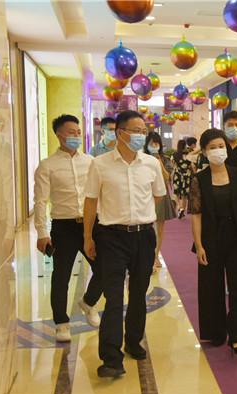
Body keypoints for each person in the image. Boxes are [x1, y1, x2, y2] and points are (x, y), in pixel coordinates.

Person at [83, 110, 166, 379]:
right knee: (114, 297)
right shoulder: (100, 164)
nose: (141, 135)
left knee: (139, 293)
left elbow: (157, 196)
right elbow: (90, 202)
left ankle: (133, 341)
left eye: (143, 131)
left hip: (143, 236)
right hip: (111, 237)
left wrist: (140, 215)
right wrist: (88, 237)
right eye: (136, 130)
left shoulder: (151, 164)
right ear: (120, 133)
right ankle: (111, 358)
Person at [34, 114, 103, 342]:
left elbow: (99, 194)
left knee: (105, 267)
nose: (76, 136)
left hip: (91, 224)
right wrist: (42, 233)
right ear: (59, 135)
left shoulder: (91, 162)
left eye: (78, 132)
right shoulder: (47, 166)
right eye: (71, 132)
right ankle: (61, 324)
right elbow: (40, 201)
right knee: (61, 276)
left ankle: (88, 302)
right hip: (63, 227)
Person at [189, 128, 237, 355]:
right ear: (204, 152)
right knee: (211, 287)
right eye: (212, 147)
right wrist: (199, 245)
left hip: (236, 236)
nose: (218, 150)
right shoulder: (199, 179)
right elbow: (196, 214)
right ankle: (215, 332)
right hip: (210, 238)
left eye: (221, 146)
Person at [145, 132, 177, 271]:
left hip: (162, 196)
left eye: (156, 143)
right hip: (146, 196)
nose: (154, 146)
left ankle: (156, 255)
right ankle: (147, 255)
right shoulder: (142, 158)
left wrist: (159, 163)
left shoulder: (165, 159)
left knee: (160, 228)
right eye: (151, 143)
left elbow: (167, 177)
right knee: (147, 228)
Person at [172, 137, 197, 218]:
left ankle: (179, 207)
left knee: (177, 193)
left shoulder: (175, 155)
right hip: (187, 176)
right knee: (185, 195)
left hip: (178, 175)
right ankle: (183, 208)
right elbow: (192, 166)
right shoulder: (188, 154)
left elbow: (173, 165)